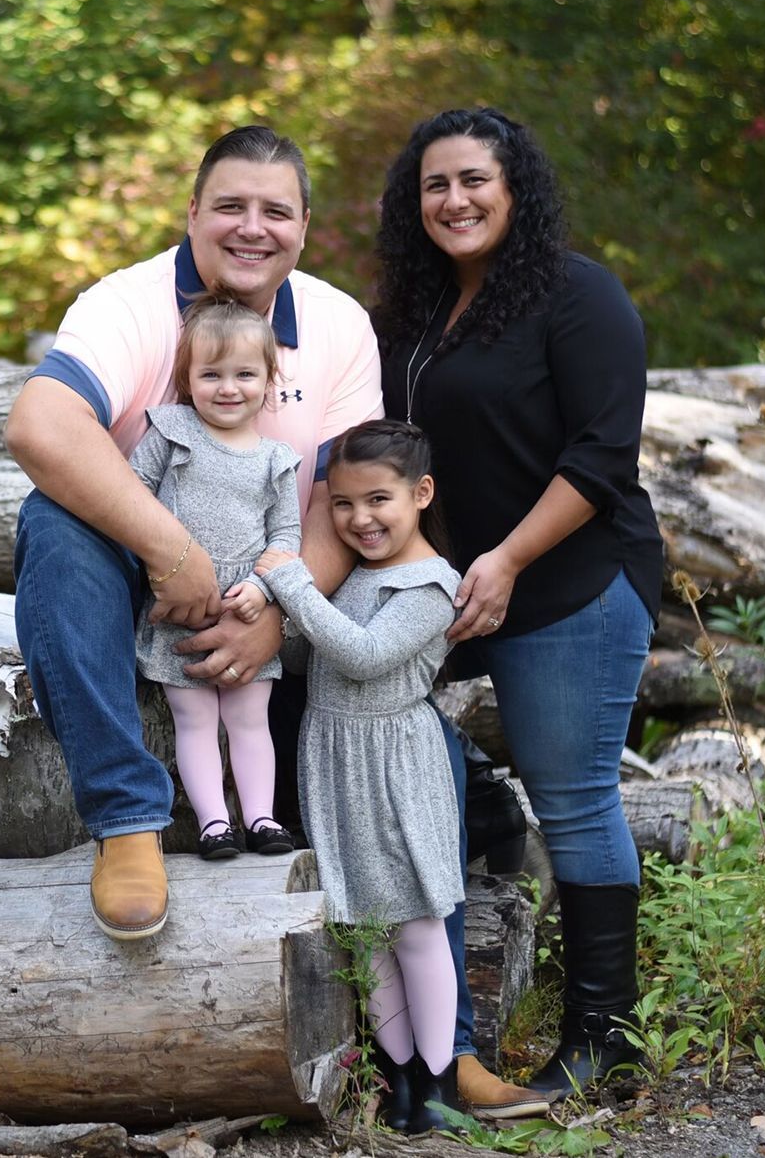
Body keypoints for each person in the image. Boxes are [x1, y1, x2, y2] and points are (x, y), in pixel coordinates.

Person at [4, 124, 540, 1116]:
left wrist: (274, 625)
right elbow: (39, 426)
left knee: (401, 775)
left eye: (277, 211)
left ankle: (440, 1054)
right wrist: (172, 551)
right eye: (231, 206)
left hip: (282, 601)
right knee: (52, 522)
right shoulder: (126, 305)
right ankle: (129, 816)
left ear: (301, 228)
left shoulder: (335, 326)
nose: (253, 227)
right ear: (194, 214)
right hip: (138, 576)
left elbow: (348, 497)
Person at [373, 107, 666, 1100]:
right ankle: (482, 836)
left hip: (571, 582)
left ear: (515, 190)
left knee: (577, 798)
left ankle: (603, 1040)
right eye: (435, 185)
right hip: (460, 585)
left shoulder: (578, 297)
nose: (454, 200)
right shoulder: (415, 313)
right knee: (403, 744)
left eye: (473, 181)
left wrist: (502, 560)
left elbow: (601, 456)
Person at [255, 420, 463, 1133]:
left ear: (420, 492)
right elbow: (316, 654)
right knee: (364, 926)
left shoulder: (433, 583)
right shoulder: (353, 574)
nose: (360, 518)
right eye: (342, 504)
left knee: (414, 920)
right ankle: (399, 1073)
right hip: (336, 753)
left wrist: (288, 579)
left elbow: (367, 654)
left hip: (394, 765)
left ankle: (440, 1081)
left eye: (378, 499)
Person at [131, 295, 301, 859]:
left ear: (268, 379)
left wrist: (261, 588)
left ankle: (262, 818)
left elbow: (286, 539)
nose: (228, 388)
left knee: (251, 720)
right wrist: (161, 565)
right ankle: (213, 823)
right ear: (188, 378)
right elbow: (134, 494)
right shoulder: (172, 431)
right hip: (180, 606)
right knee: (196, 718)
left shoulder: (275, 459)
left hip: (245, 606)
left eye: (245, 374)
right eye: (211, 374)